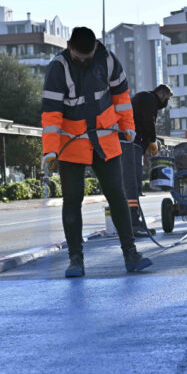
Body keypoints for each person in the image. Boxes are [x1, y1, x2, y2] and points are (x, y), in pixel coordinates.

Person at [40, 26, 152, 277]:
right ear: (69, 47)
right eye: (79, 58)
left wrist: (128, 127)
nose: (84, 61)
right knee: (72, 200)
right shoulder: (58, 69)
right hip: (72, 144)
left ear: (95, 48)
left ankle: (131, 255)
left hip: (105, 140)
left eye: (88, 57)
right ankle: (76, 260)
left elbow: (122, 97)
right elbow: (51, 114)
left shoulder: (109, 61)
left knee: (117, 196)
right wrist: (50, 150)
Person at [122, 84, 173, 237]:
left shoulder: (146, 99)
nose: (166, 102)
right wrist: (152, 139)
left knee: (134, 184)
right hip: (130, 144)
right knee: (133, 184)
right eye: (167, 98)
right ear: (161, 92)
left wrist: (148, 144)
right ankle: (133, 224)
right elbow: (147, 120)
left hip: (133, 144)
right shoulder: (148, 97)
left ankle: (133, 221)